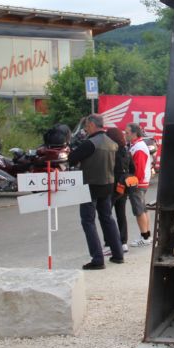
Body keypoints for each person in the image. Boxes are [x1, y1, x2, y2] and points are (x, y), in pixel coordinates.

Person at [68, 114, 124, 270]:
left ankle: (98, 259)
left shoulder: (89, 144)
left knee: (88, 221)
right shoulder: (113, 144)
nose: (86, 128)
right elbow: (117, 166)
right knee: (107, 218)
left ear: (92, 125)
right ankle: (118, 254)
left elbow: (71, 158)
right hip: (107, 186)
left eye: (87, 125)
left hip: (89, 186)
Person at [104, 127, 134, 255]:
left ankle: (109, 244)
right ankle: (123, 242)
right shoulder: (127, 151)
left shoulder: (111, 151)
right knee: (121, 214)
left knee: (106, 215)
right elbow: (133, 168)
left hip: (112, 186)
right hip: (124, 186)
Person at [125, 123, 152, 247]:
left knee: (139, 211)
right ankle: (146, 235)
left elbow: (139, 168)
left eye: (127, 133)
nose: (125, 135)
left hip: (138, 183)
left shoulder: (139, 148)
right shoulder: (137, 145)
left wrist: (133, 182)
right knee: (143, 209)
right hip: (141, 182)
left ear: (134, 133)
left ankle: (145, 236)